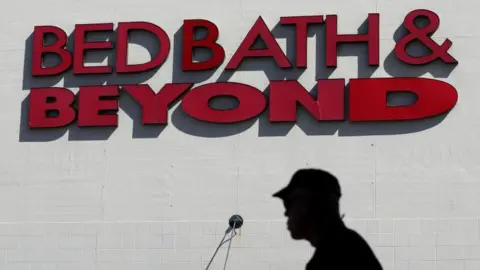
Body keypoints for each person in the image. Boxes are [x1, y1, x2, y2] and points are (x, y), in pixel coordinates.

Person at [272, 168, 383, 269]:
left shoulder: (332, 257)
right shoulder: (349, 246)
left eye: (288, 204)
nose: (286, 213)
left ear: (305, 205)